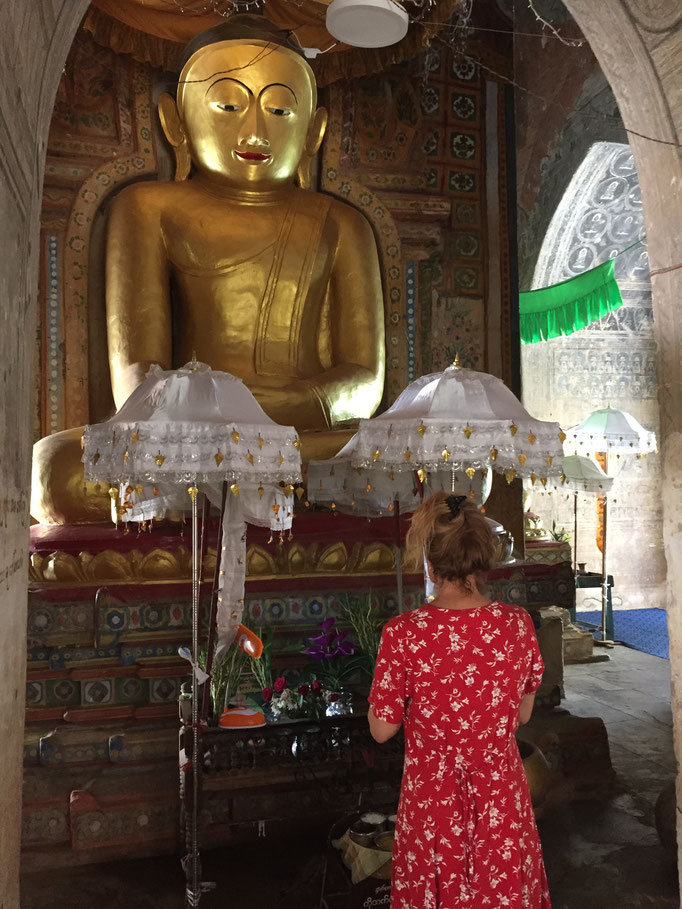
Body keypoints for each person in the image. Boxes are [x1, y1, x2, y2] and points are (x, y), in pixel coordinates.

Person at [31, 14, 385, 524]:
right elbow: (137, 383)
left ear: (314, 130)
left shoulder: (341, 224)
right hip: (186, 438)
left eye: (281, 109)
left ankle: (221, 493)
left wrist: (244, 409)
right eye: (228, 105)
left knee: (433, 466)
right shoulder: (149, 208)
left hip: (300, 436)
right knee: (58, 471)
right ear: (176, 121)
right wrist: (213, 412)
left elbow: (364, 384)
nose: (254, 130)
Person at [368, 492, 551, 908]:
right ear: (480, 560)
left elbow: (381, 731)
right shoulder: (517, 626)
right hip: (500, 803)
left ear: (430, 564)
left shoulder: (404, 634)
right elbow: (521, 715)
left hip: (433, 804)